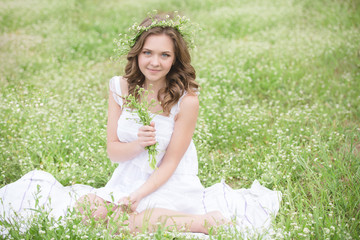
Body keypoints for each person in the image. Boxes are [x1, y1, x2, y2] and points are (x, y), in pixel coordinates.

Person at [0, 12, 281, 237]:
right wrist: (138, 144)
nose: (154, 62)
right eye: (148, 53)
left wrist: (137, 195)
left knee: (129, 219)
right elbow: (112, 151)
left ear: (175, 59)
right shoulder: (119, 87)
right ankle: (151, 218)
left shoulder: (187, 100)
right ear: (137, 53)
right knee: (86, 210)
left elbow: (171, 164)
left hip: (169, 180)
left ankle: (202, 222)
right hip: (129, 175)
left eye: (164, 55)